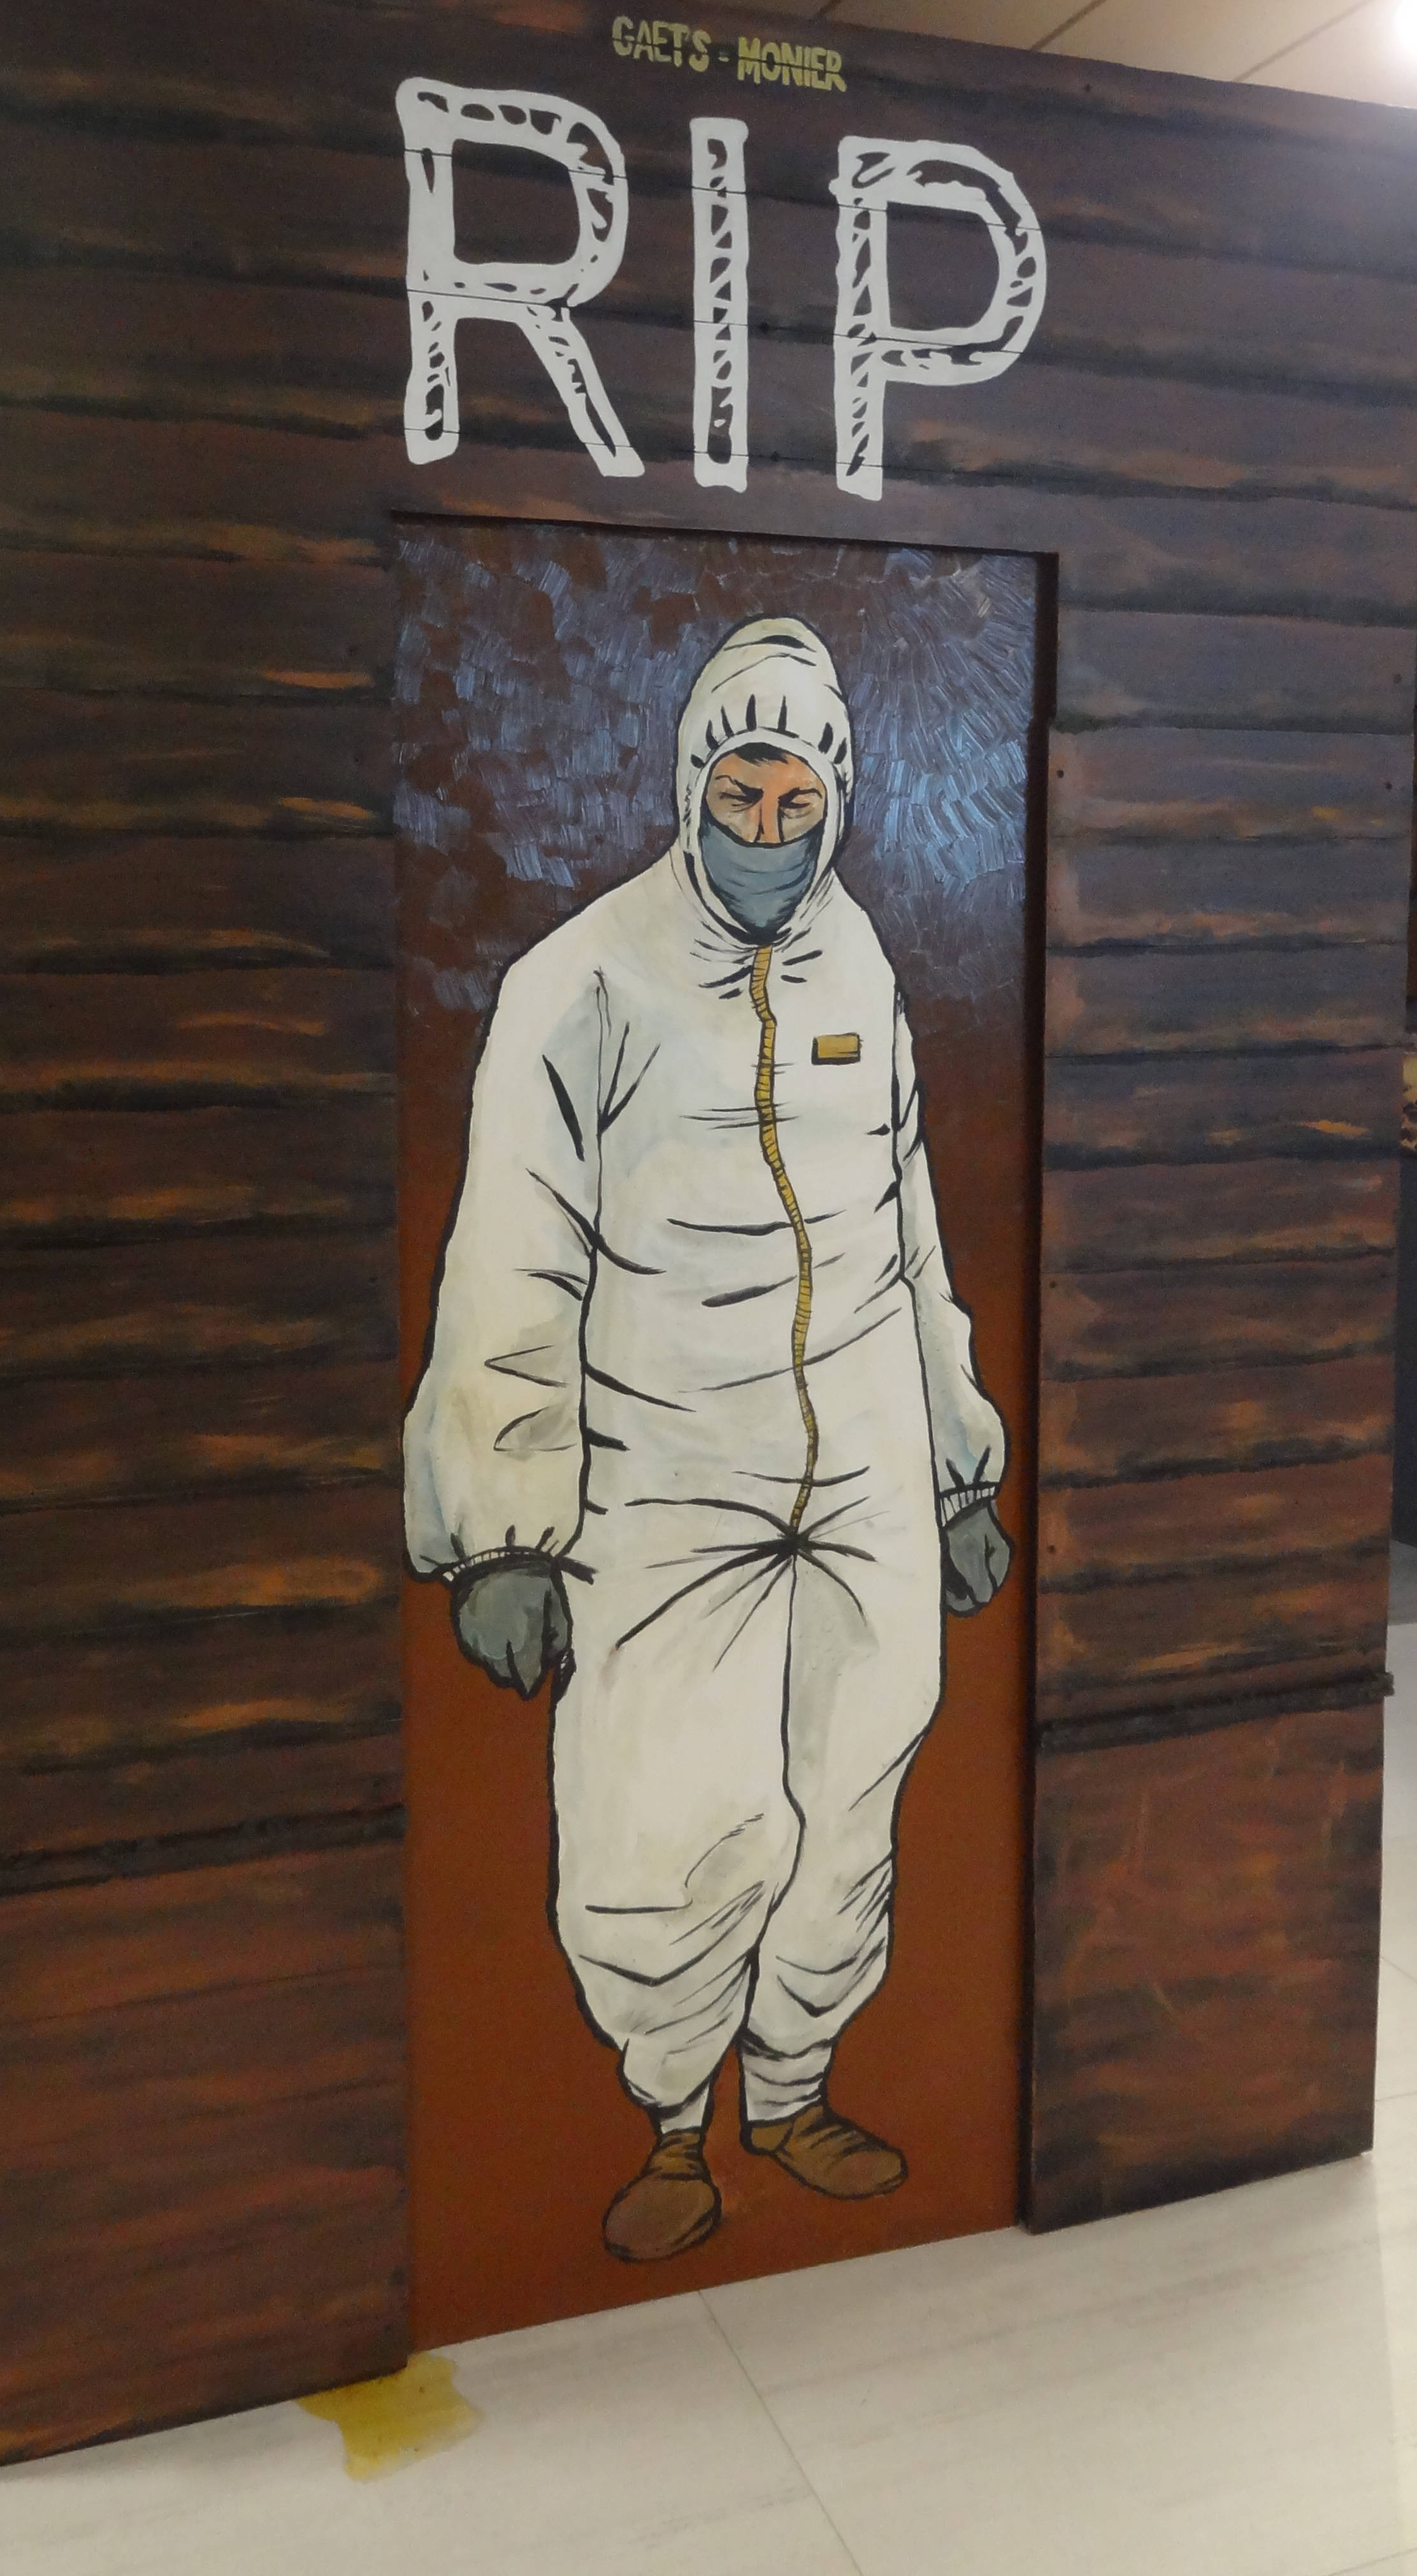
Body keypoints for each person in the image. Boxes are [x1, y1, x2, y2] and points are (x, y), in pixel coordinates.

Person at [405, 615, 1011, 2262]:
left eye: (794, 800)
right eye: (739, 794)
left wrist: (957, 1467)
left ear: (837, 799)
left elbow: (910, 1230)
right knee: (665, 1817)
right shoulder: (578, 983)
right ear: (690, 785)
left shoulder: (862, 965)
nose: (766, 829)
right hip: (666, 1474)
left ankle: (794, 2091)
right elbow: (510, 1261)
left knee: (850, 1795)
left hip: (865, 1465)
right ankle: (673, 2121)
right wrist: (503, 1534)